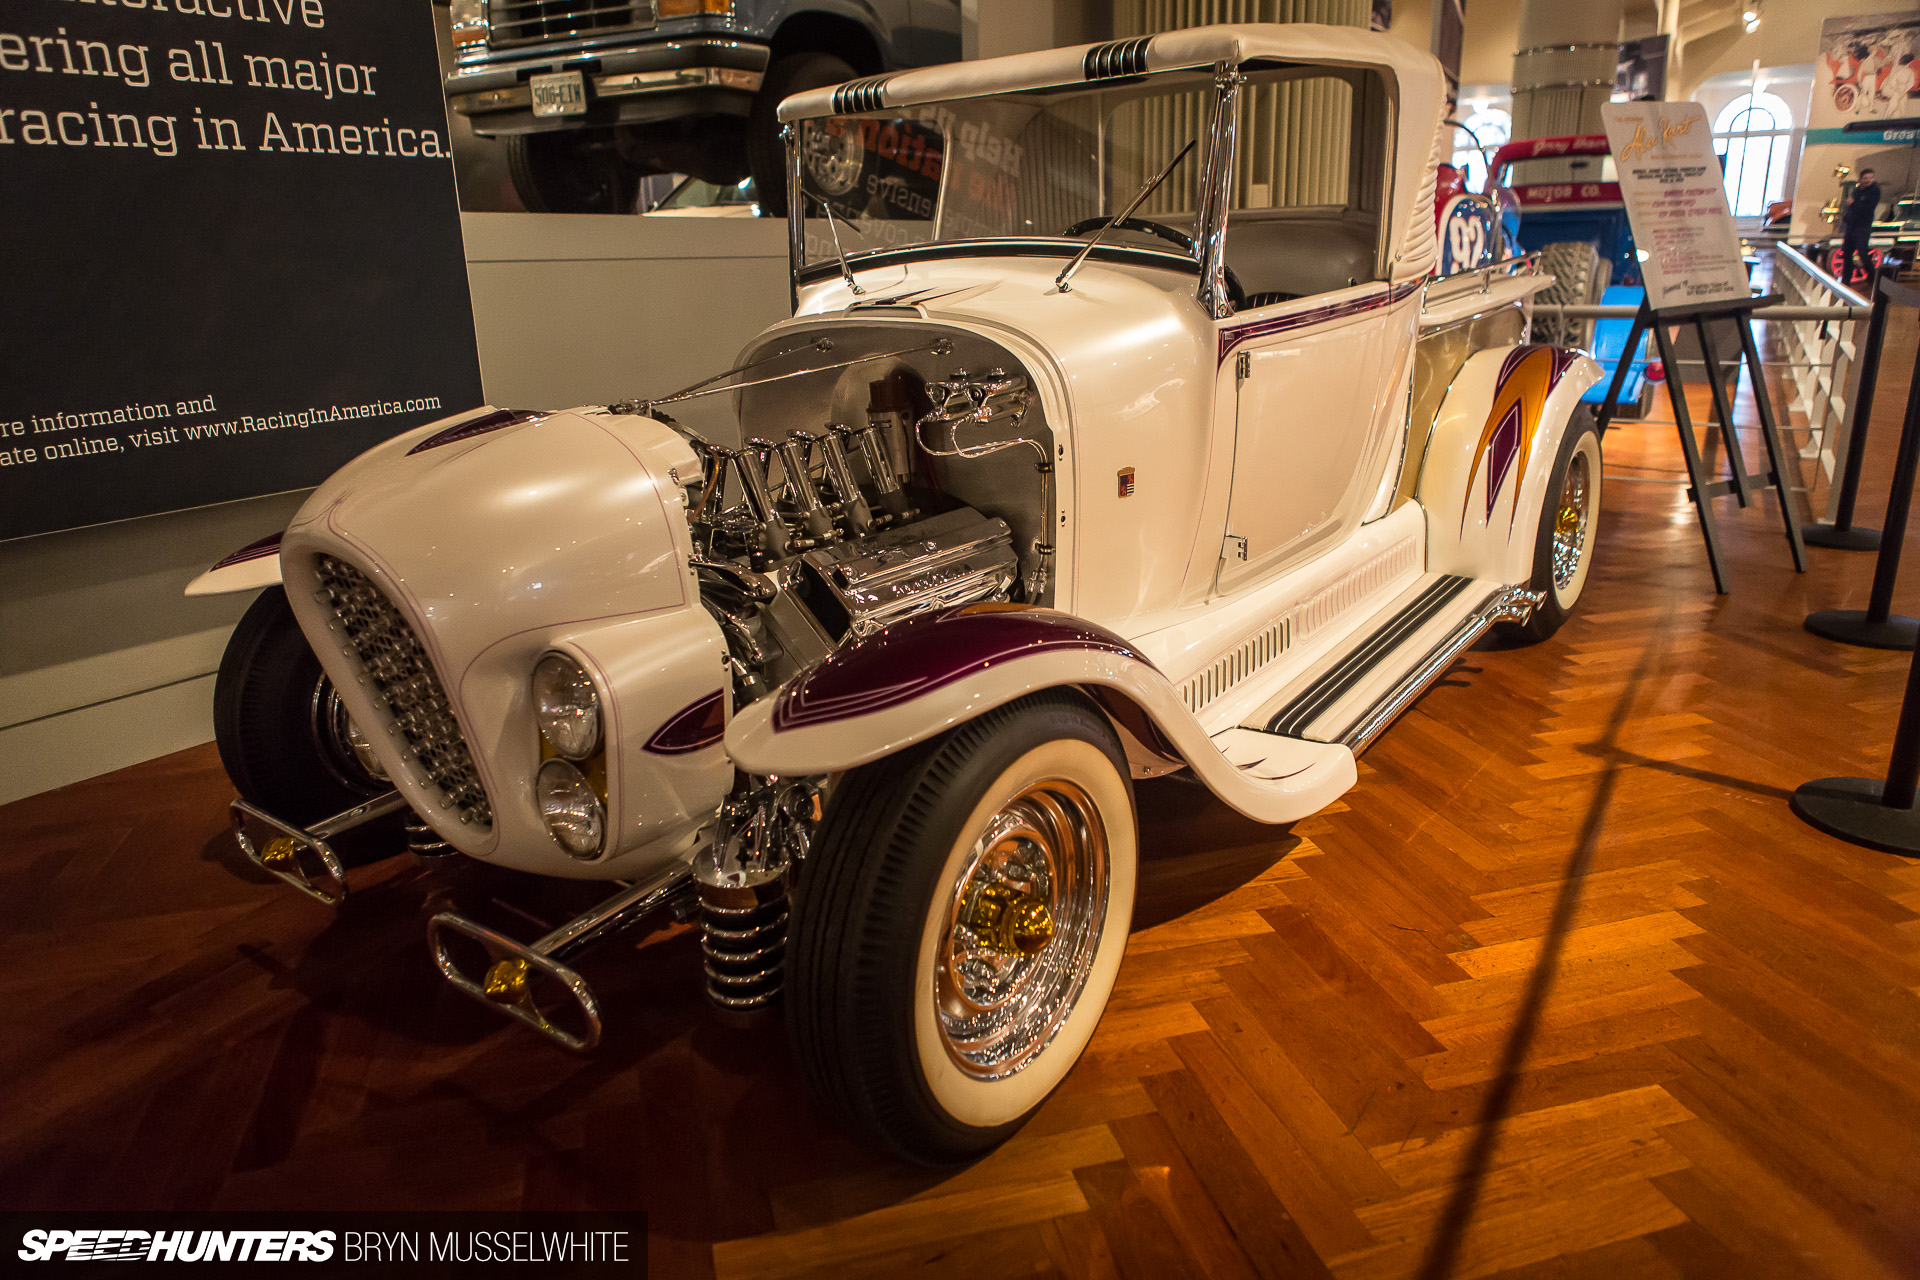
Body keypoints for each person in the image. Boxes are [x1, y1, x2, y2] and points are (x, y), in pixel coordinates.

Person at [1843, 168, 1882, 285]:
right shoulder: (1857, 190)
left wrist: (1854, 203)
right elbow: (1852, 207)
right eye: (1865, 178)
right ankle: (1846, 280)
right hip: (1851, 226)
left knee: (1862, 253)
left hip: (1863, 226)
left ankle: (1873, 279)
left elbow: (1868, 207)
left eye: (1870, 178)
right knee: (1847, 253)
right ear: (1861, 179)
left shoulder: (1875, 191)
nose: (1868, 180)